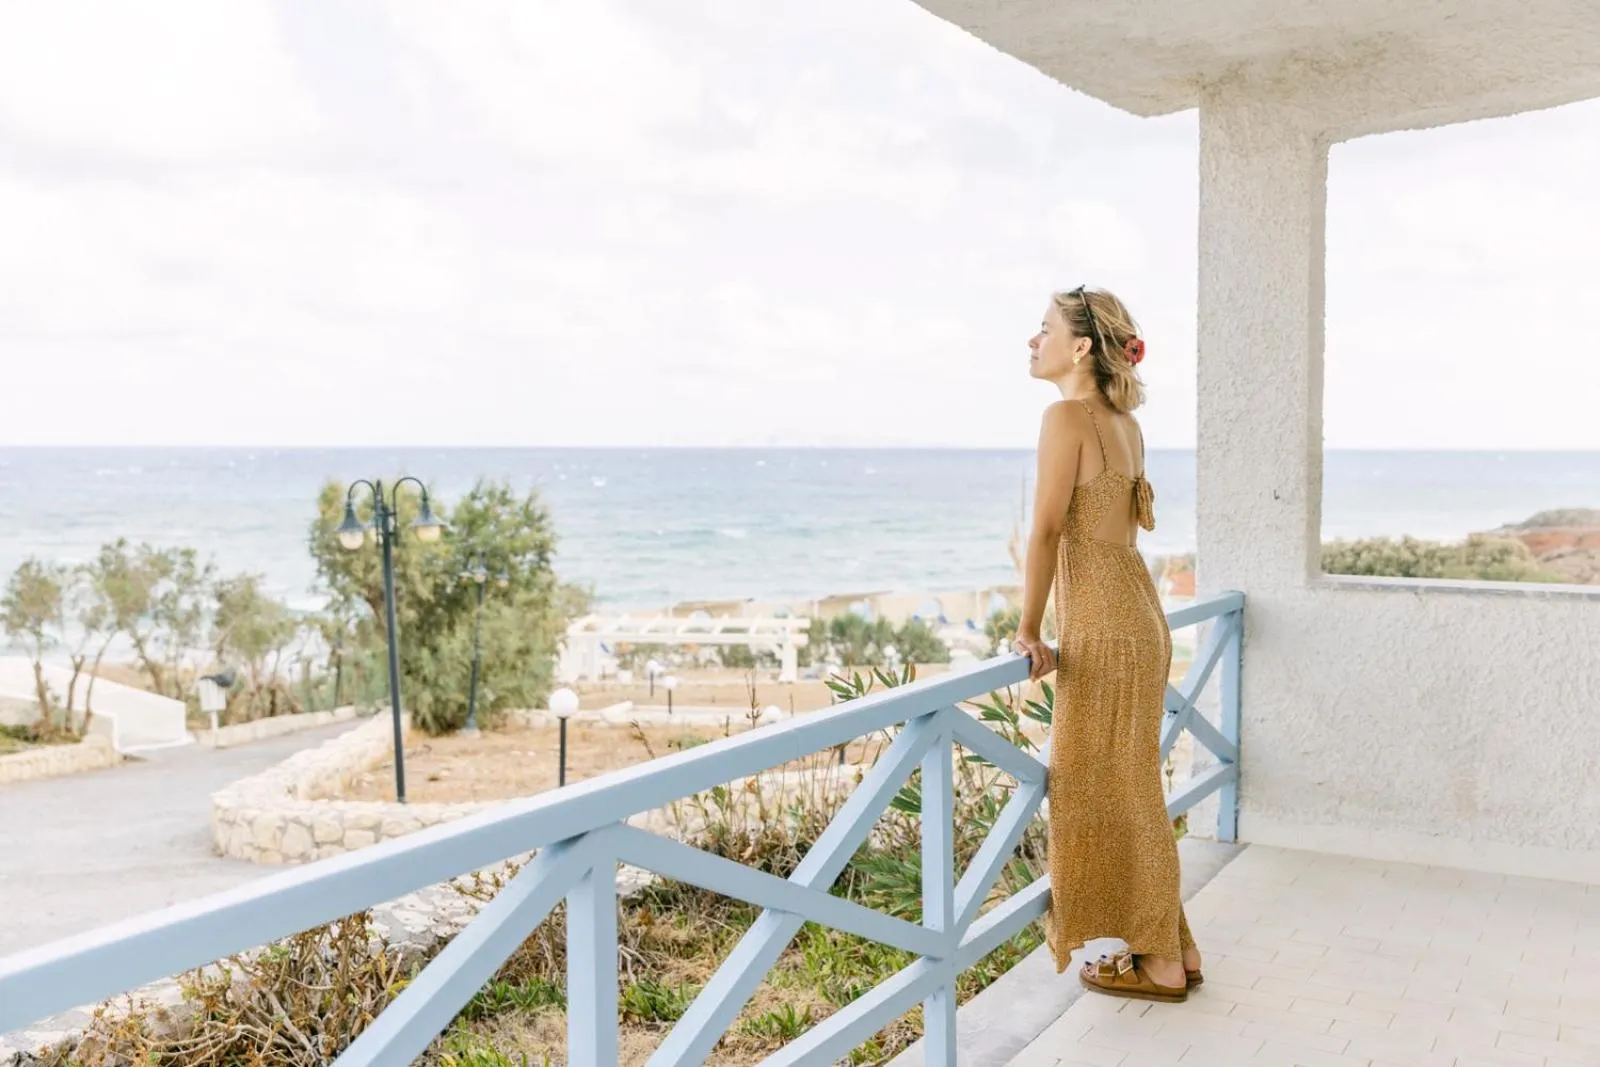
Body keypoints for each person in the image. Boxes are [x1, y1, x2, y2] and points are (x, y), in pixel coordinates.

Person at [1011, 286, 1202, 1003]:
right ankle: (1176, 946)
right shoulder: (1125, 423)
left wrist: (1029, 629)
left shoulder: (1066, 417)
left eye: (1045, 328)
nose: (1033, 340)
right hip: (1137, 618)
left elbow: (1046, 531)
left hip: (1105, 626)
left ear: (1082, 346)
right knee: (1132, 788)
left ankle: (1160, 960)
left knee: (1110, 792)